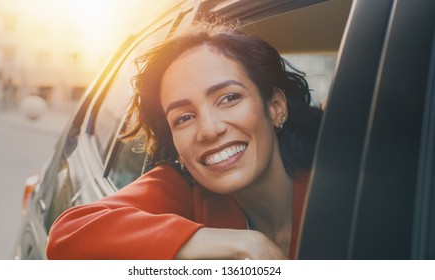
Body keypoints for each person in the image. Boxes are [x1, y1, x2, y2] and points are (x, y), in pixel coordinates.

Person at [46, 20, 322, 260]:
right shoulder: (185, 188)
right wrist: (234, 244)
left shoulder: (348, 188)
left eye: (229, 98)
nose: (209, 130)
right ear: (174, 141)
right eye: (184, 118)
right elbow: (67, 234)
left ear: (275, 106)